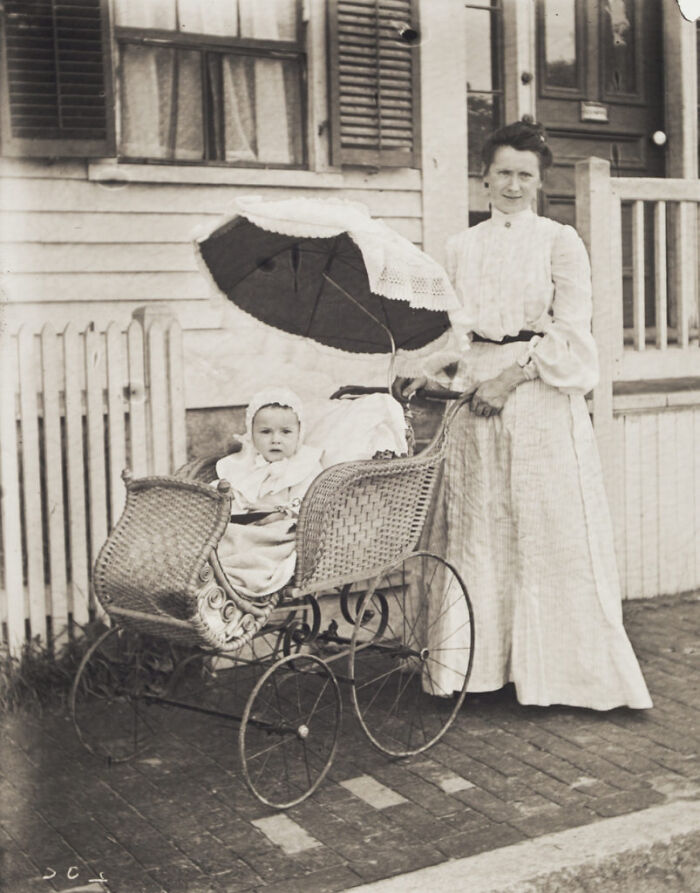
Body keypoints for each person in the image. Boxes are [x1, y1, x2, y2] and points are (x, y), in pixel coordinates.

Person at [400, 120, 652, 710]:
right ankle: (481, 670)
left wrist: (512, 378)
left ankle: (559, 679)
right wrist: (430, 368)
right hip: (476, 401)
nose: (513, 185)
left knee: (545, 526)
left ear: (539, 183)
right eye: (503, 173)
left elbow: (572, 329)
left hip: (537, 393)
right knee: (480, 525)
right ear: (483, 177)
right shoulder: (463, 246)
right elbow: (458, 333)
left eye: (525, 175)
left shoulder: (559, 240)